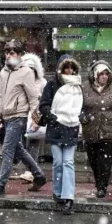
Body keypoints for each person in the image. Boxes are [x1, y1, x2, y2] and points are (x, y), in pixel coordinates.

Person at [0, 39, 47, 196]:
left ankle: (0, 184)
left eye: (12, 52)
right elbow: (1, 96)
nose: (8, 55)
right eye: (7, 52)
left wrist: (36, 118)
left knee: (7, 149)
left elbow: (33, 97)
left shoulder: (26, 72)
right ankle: (39, 175)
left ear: (20, 55)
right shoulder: (3, 72)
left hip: (18, 115)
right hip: (7, 116)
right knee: (18, 150)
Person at [39, 55, 83, 214]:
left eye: (71, 67)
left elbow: (82, 106)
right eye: (66, 67)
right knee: (58, 162)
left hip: (71, 129)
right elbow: (43, 104)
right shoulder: (51, 85)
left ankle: (68, 197)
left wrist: (82, 116)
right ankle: (58, 192)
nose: (69, 71)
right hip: (56, 128)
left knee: (68, 162)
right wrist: (52, 117)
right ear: (61, 69)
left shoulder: (78, 86)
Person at [81, 60, 112, 198]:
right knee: (93, 160)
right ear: (95, 75)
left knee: (105, 161)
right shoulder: (85, 87)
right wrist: (82, 118)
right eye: (101, 74)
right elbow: (79, 107)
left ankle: (102, 186)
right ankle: (99, 183)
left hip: (110, 131)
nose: (104, 76)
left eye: (106, 74)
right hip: (91, 131)